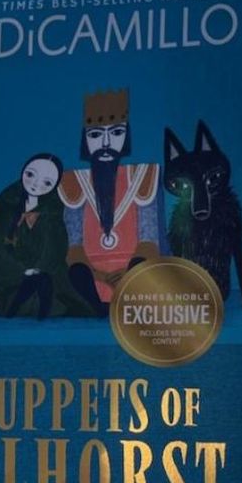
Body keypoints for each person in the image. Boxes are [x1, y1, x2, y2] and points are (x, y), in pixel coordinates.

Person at [58, 89, 166, 316]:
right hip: (91, 276)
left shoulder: (141, 176)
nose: (106, 143)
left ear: (126, 136)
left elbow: (150, 240)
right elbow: (72, 245)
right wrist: (98, 275)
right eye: (96, 135)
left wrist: (127, 271)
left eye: (116, 132)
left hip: (131, 274)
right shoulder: (74, 182)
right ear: (85, 139)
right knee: (75, 274)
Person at [0, 153, 90, 319]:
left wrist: (39, 269)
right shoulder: (8, 211)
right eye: (30, 175)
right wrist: (24, 271)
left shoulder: (52, 215)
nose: (36, 183)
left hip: (48, 282)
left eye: (47, 182)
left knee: (46, 285)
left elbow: (56, 252)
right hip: (12, 283)